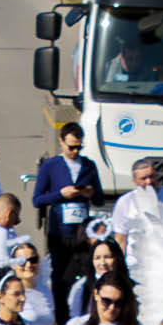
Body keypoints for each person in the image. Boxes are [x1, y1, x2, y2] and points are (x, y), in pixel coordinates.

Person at [31, 123, 103, 293]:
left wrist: (89, 193)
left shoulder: (89, 166)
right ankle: (62, 316)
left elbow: (99, 200)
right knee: (61, 279)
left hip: (83, 235)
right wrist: (61, 195)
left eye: (79, 147)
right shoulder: (50, 165)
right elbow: (37, 200)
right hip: (60, 235)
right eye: (71, 147)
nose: (75, 152)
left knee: (85, 277)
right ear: (61, 142)